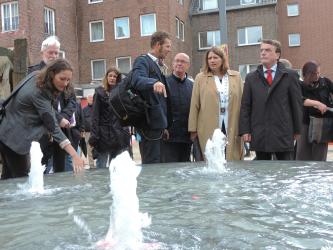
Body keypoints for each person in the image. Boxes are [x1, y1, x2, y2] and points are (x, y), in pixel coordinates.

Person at [0, 59, 84, 179]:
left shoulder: (35, 76)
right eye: (62, 78)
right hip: (15, 141)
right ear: (51, 74)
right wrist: (75, 155)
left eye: (68, 80)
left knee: (7, 179)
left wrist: (58, 118)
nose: (65, 83)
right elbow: (53, 128)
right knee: (23, 182)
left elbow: (45, 109)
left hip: (4, 131)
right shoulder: (40, 93)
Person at [239, 39, 303, 160]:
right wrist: (245, 130)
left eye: (267, 50)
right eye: (261, 50)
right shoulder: (251, 77)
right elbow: (246, 105)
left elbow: (296, 104)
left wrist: (297, 130)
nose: (263, 53)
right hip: (260, 132)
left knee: (285, 172)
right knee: (262, 172)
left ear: (277, 55)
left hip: (283, 132)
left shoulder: (290, 76)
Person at [28, 35, 77, 173]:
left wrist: (64, 117)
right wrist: (58, 118)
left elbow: (72, 100)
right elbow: (37, 101)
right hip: (42, 127)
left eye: (56, 52)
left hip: (63, 127)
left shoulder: (64, 72)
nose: (54, 55)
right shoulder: (34, 72)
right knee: (40, 165)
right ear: (42, 52)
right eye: (51, 52)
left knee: (61, 167)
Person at [188, 46, 244, 160]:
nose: (212, 61)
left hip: (232, 123)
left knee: (231, 157)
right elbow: (194, 104)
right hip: (208, 125)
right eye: (209, 58)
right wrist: (192, 129)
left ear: (222, 59)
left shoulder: (236, 76)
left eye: (215, 57)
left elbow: (243, 103)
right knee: (211, 159)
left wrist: (245, 128)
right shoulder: (200, 78)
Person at [131, 31, 172, 164]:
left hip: (157, 126)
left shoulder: (157, 65)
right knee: (152, 165)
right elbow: (136, 80)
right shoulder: (142, 60)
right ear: (157, 45)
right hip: (149, 126)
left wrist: (164, 125)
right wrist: (153, 82)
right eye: (167, 46)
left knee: (158, 164)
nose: (169, 50)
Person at [89, 67, 131, 168]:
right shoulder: (99, 93)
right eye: (110, 76)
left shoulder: (121, 93)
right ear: (106, 77)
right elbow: (95, 116)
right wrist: (94, 136)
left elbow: (125, 114)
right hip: (103, 134)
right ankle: (102, 184)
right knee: (101, 165)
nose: (112, 78)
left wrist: (125, 131)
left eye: (115, 76)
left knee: (115, 166)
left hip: (118, 134)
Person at [296, 61, 333, 161]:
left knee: (320, 156)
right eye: (313, 74)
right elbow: (299, 100)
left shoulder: (326, 82)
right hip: (305, 123)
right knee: (302, 155)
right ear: (305, 74)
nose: (317, 76)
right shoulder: (300, 85)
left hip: (322, 123)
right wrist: (317, 103)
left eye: (318, 73)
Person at [161, 53, 193, 162]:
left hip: (187, 137)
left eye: (183, 61)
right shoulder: (164, 83)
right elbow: (161, 108)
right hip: (169, 137)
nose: (179, 63)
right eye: (177, 61)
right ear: (173, 63)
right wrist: (163, 127)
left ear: (188, 65)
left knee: (186, 170)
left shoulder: (192, 86)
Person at [82, 94, 95, 168]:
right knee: (89, 150)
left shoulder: (97, 108)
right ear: (87, 99)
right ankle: (92, 166)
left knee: (98, 149)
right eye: (89, 98)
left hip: (97, 132)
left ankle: (100, 166)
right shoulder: (84, 110)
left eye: (92, 98)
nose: (91, 99)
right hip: (88, 133)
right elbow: (82, 121)